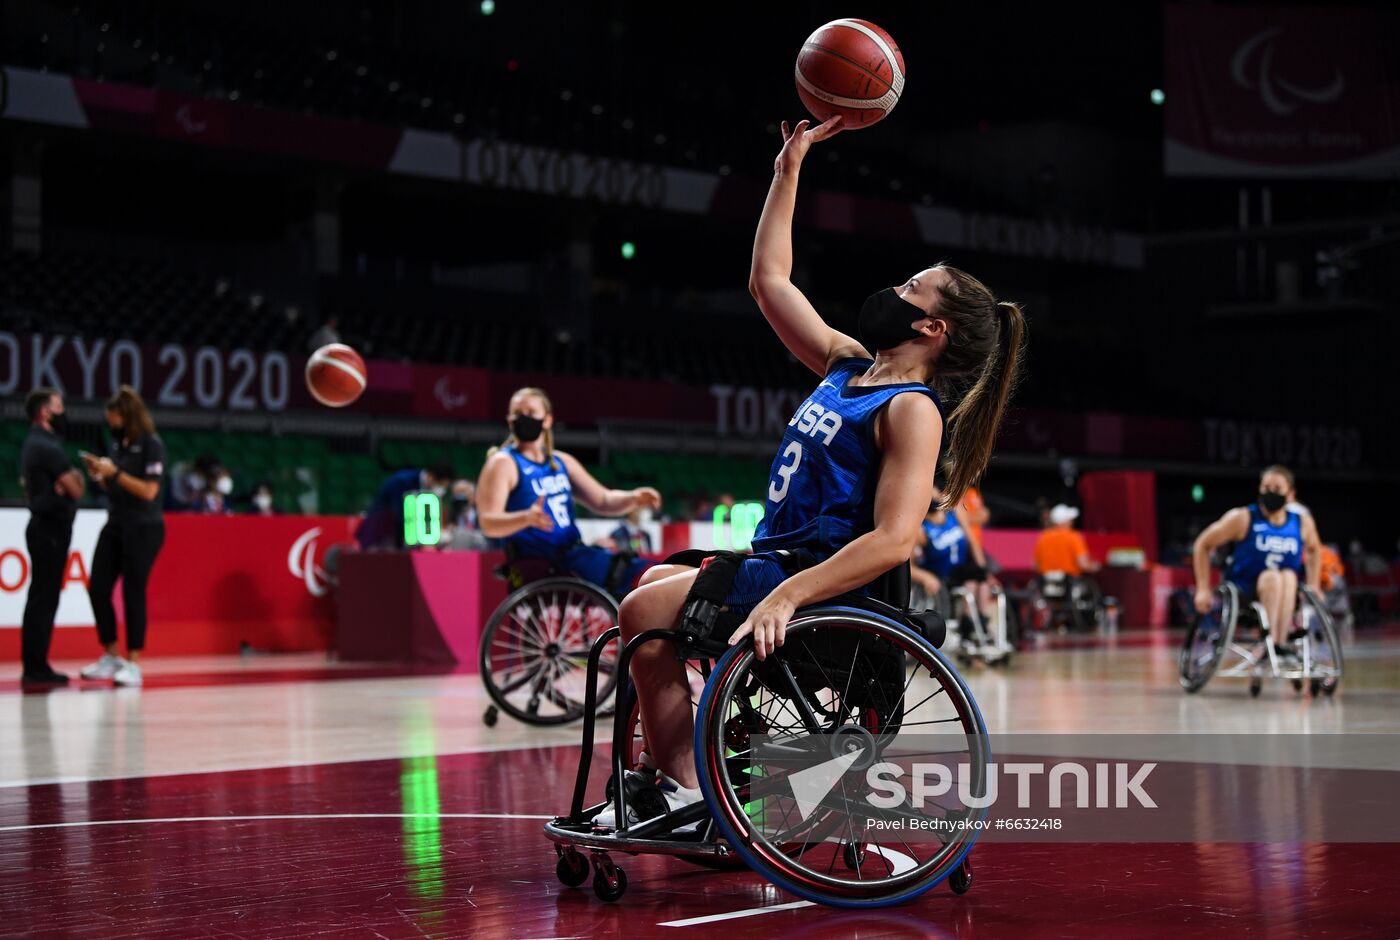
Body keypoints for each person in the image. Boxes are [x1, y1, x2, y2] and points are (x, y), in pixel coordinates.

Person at [599, 115, 1024, 824]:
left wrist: (787, 595)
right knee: (650, 584)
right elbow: (769, 282)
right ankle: (673, 762)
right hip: (780, 559)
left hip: (819, 582)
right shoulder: (848, 364)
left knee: (641, 611)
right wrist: (787, 171)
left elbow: (895, 540)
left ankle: (686, 789)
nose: (895, 290)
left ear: (932, 328)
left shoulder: (912, 409)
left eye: (912, 287)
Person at [475, 387, 661, 593]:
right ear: (510, 420)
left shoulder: (561, 461)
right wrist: (525, 518)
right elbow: (488, 523)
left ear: (547, 420)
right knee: (651, 576)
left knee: (656, 573)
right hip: (543, 562)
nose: (524, 418)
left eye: (531, 412)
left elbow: (603, 500)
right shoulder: (504, 462)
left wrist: (633, 498)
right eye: (518, 413)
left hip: (573, 555)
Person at [79, 386, 167, 688]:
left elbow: (149, 491)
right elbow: (118, 484)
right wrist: (102, 476)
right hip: (116, 522)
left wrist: (115, 473)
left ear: (126, 415)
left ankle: (133, 663)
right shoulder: (117, 443)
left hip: (144, 527)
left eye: (113, 417)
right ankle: (111, 655)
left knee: (133, 592)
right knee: (97, 588)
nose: (110, 423)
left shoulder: (151, 444)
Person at [1193, 465, 1322, 653]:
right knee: (1272, 578)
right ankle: (1269, 643)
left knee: (1288, 576)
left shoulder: (1301, 522)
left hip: (1286, 592)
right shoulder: (1243, 518)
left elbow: (1315, 550)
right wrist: (1202, 589)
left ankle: (1279, 644)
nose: (1270, 493)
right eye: (1266, 487)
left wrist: (1315, 584)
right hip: (1245, 591)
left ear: (1290, 494)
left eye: (1277, 489)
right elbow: (1202, 544)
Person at [17, 388, 84, 684]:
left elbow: (68, 483)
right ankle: (36, 668)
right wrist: (73, 480)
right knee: (44, 599)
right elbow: (76, 488)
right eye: (58, 406)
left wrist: (69, 481)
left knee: (41, 597)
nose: (62, 412)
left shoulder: (34, 443)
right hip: (50, 530)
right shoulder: (47, 446)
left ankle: (35, 665)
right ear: (45, 412)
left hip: (45, 527)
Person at [911, 487, 999, 630]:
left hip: (961, 567)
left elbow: (972, 541)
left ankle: (981, 623)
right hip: (941, 575)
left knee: (981, 580)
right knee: (970, 583)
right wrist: (925, 577)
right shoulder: (921, 530)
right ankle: (967, 624)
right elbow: (909, 566)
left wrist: (983, 569)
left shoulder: (954, 512)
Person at [354, 461, 454, 550]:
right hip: (379, 531)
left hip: (398, 534)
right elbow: (401, 514)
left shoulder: (427, 489)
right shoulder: (402, 482)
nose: (441, 488)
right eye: (440, 484)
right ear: (431, 477)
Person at [1033, 504, 1101, 578]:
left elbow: (1036, 565)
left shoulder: (1043, 537)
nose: (1071, 522)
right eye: (1069, 519)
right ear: (1065, 521)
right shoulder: (1073, 537)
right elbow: (1083, 564)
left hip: (1046, 581)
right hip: (1069, 581)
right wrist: (1095, 566)